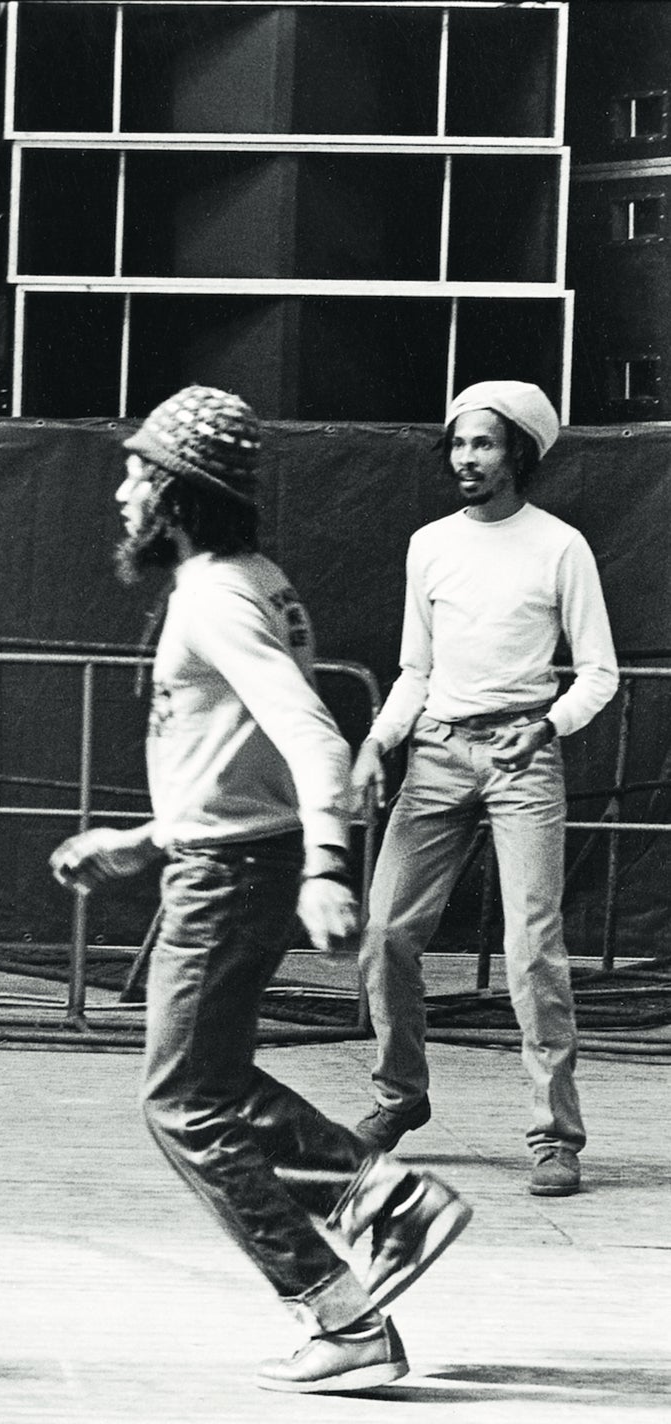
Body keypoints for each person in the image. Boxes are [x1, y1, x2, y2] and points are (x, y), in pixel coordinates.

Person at [50, 386, 472, 1394]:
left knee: (181, 1101)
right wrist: (147, 838)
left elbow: (313, 734)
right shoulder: (250, 578)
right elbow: (239, 759)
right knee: (217, 1080)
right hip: (227, 857)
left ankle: (339, 1310)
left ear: (177, 491)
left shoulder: (215, 594)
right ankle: (385, 1200)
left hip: (234, 874)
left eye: (135, 471)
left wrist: (331, 867)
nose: (120, 489)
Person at [349, 381, 616, 1199]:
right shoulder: (428, 544)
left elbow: (598, 674)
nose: (466, 458)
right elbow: (414, 670)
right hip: (435, 752)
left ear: (518, 455)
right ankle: (398, 1099)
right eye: (459, 444)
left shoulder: (559, 546)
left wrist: (545, 728)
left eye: (484, 445)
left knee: (533, 948)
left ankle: (554, 1137)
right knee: (386, 930)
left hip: (522, 753)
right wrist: (377, 741)